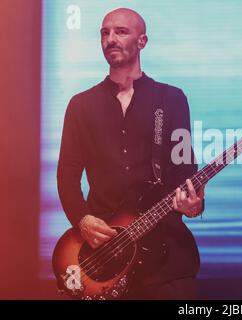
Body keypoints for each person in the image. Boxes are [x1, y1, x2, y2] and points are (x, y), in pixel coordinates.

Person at [57, 8, 205, 299]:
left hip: (166, 260)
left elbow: (185, 169)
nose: (110, 39)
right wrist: (83, 220)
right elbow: (66, 176)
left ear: (143, 41)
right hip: (104, 256)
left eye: (121, 31)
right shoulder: (80, 105)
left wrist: (194, 204)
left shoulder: (171, 99)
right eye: (104, 32)